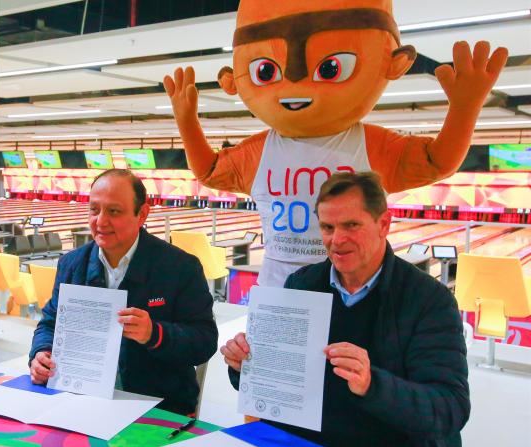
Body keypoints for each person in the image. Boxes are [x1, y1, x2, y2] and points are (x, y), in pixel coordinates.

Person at [164, 0, 508, 287]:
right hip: (278, 289)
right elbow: (210, 170)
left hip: (352, 291)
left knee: (351, 367)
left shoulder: (371, 144)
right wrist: (186, 121)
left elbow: (435, 160)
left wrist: (465, 109)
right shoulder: (258, 150)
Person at [220, 172, 470, 447]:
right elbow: (278, 385)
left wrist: (372, 383)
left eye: (351, 225)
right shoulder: (302, 284)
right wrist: (247, 366)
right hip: (306, 441)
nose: (337, 239)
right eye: (327, 227)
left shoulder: (429, 300)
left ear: (384, 224)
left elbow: (450, 408)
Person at [29, 169, 218, 415]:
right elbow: (49, 324)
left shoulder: (180, 267)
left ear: (142, 214)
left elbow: (204, 341)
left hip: (159, 407)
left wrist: (155, 334)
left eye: (114, 211)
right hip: (83, 399)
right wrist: (40, 354)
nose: (101, 221)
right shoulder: (72, 264)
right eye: (94, 210)